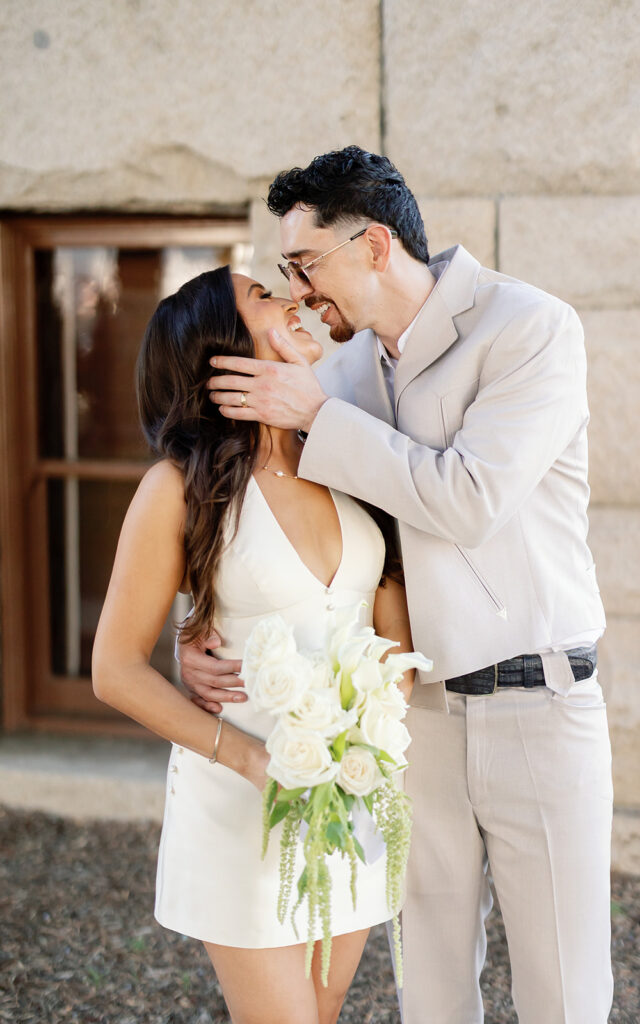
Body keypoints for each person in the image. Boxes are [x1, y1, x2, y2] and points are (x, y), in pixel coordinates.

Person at [179, 146, 613, 1024]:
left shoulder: (529, 328)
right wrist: (200, 624)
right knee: (431, 992)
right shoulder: (335, 372)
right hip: (406, 724)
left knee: (563, 994)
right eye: (285, 273)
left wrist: (318, 418)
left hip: (537, 702)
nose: (296, 291)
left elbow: (470, 499)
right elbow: (263, 507)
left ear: (374, 245)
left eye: (305, 264)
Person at [91, 264, 418, 1024]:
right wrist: (252, 761)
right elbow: (112, 669)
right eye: (265, 297)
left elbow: (391, 631)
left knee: (324, 1010)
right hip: (243, 805)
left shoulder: (342, 455)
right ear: (224, 349)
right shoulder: (177, 490)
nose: (295, 301)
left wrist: (374, 717)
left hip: (351, 794)